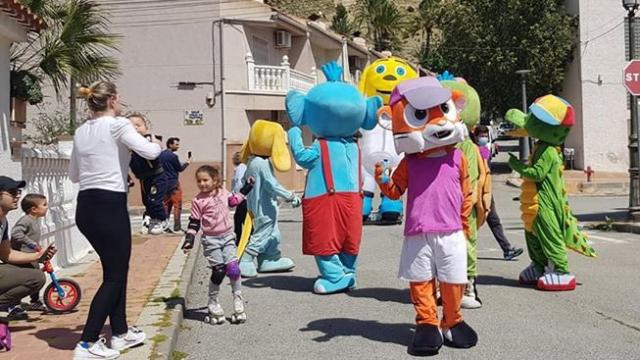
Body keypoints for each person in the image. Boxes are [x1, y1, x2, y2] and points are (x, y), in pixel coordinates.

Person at [70, 81, 161, 359]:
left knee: (116, 270)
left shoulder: (81, 131)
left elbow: (74, 175)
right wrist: (149, 137)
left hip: (86, 207)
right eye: (118, 98)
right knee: (114, 276)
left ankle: (120, 333)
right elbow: (151, 153)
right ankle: (86, 343)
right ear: (111, 100)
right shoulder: (119, 125)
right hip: (110, 206)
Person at [181, 166, 254, 324]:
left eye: (205, 180)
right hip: (211, 240)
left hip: (227, 237)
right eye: (199, 181)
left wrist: (247, 188)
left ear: (215, 180)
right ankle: (213, 302)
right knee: (219, 271)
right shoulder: (198, 201)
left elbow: (234, 201)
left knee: (233, 269)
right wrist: (189, 239)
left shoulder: (223, 192)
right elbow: (194, 222)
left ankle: (238, 299)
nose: (202, 183)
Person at [0, 177, 56, 321]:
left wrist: (39, 255)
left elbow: (7, 255)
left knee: (36, 276)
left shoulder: (3, 222)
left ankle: (9, 305)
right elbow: (17, 235)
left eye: (18, 191)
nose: (17, 195)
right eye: (12, 192)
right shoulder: (24, 222)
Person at [473, 125, 524, 260]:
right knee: (470, 223)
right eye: (481, 135)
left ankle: (507, 249)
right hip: (474, 193)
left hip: (487, 192)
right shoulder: (473, 150)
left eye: (485, 135)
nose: (483, 138)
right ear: (475, 136)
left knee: (494, 220)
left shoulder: (485, 150)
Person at [128, 113, 169, 235]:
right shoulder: (128, 144)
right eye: (131, 126)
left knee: (155, 200)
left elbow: (158, 147)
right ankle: (152, 218)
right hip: (143, 178)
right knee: (148, 202)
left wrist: (152, 140)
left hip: (156, 176)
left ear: (146, 127)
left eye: (138, 125)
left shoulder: (148, 139)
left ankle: (162, 219)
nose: (135, 128)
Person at [10, 193, 49, 312]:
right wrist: (31, 244)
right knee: (24, 280)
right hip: (23, 257)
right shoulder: (26, 220)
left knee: (36, 275)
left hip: (31, 256)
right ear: (34, 209)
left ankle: (35, 301)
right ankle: (15, 304)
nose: (47, 207)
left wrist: (37, 247)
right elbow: (16, 233)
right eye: (44, 205)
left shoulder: (34, 220)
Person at [161, 137, 190, 232]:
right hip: (173, 183)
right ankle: (177, 226)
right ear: (170, 144)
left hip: (164, 183)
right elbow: (179, 168)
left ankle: (165, 225)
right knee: (177, 205)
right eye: (176, 144)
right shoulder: (173, 156)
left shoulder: (160, 155)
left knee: (166, 205)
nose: (178, 146)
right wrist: (187, 163)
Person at [231, 152, 248, 244]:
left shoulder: (240, 168)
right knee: (241, 218)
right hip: (243, 197)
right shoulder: (242, 167)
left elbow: (239, 183)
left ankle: (241, 238)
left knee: (239, 218)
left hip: (242, 197)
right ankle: (244, 237)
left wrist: (236, 194)